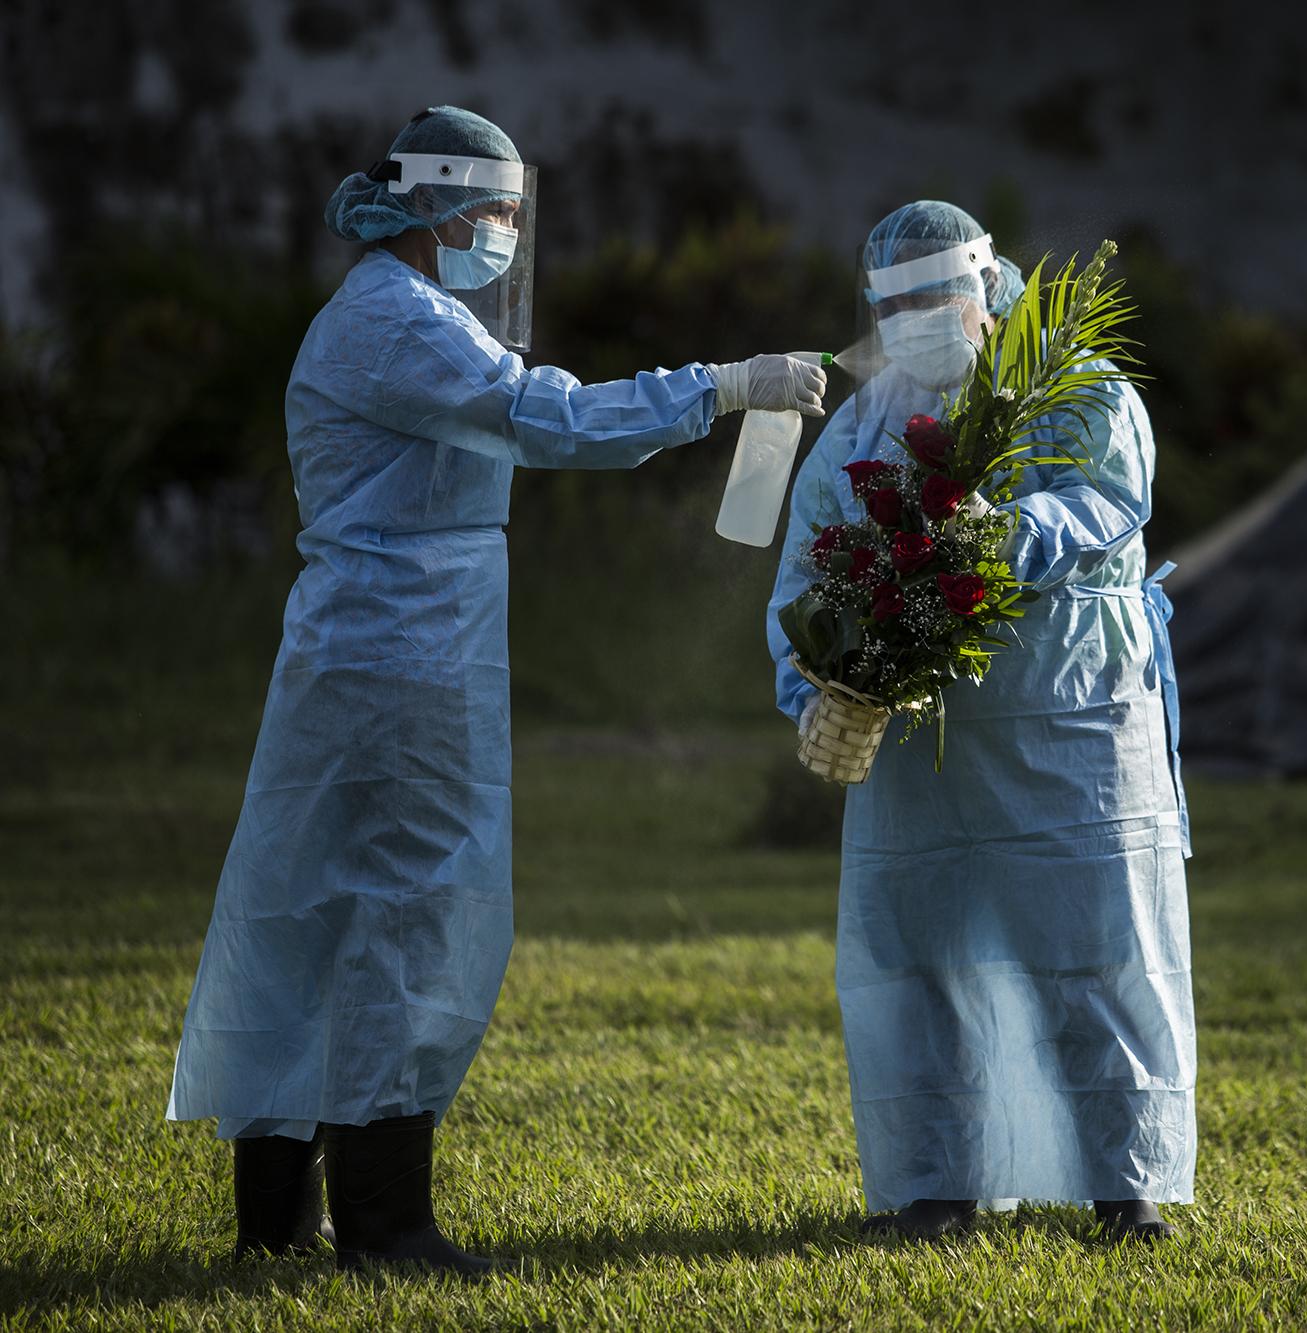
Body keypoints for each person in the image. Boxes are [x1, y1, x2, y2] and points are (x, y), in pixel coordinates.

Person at [165, 106, 825, 1277]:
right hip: (404, 651)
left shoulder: (392, 314)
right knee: (411, 909)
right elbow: (547, 417)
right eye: (499, 213)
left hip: (373, 642)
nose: (509, 236)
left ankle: (277, 1221)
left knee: (318, 909)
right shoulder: (399, 321)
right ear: (440, 206)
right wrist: (722, 387)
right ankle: (385, 1225)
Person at [765, 201, 1195, 1242]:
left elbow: (1104, 500)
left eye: (934, 298)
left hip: (1068, 731)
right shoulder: (864, 427)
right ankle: (935, 1189)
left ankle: (1126, 1189)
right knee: (923, 964)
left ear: (983, 289)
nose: (916, 319)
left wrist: (1007, 532)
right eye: (895, 304)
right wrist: (818, 683)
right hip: (927, 754)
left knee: (1093, 954)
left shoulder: (1071, 389)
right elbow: (805, 573)